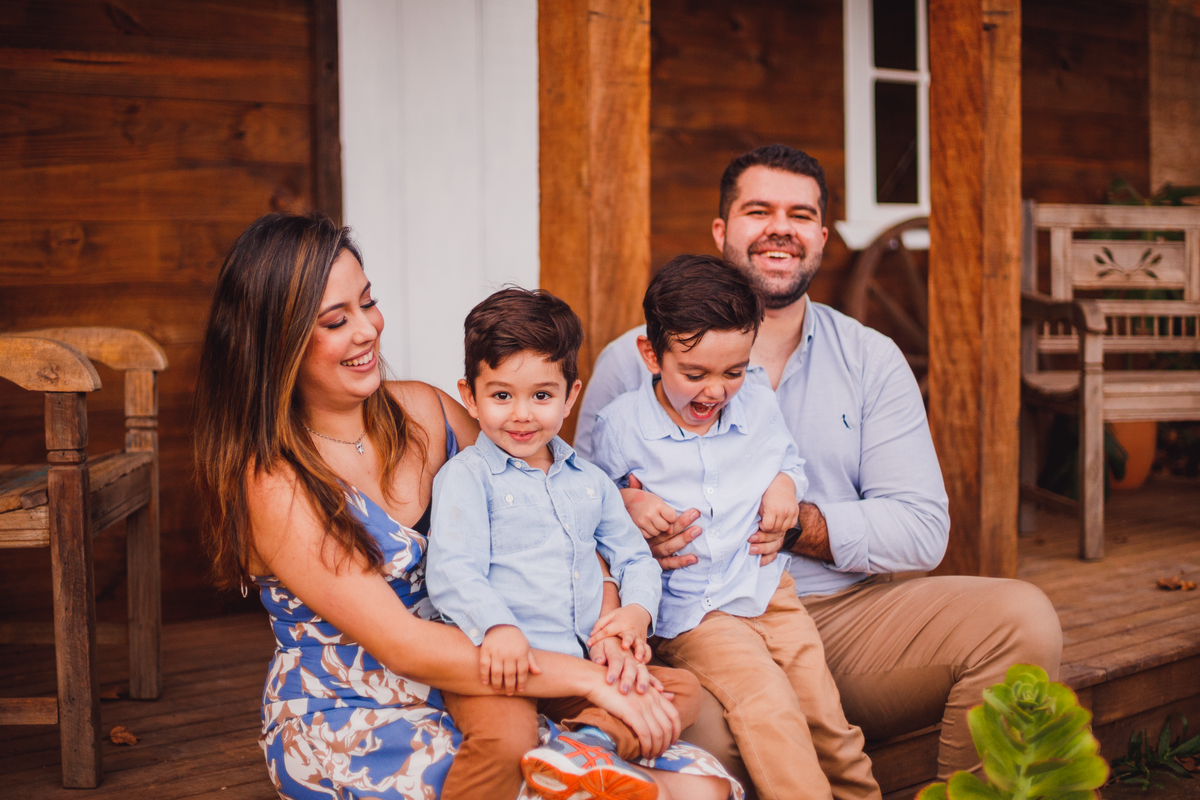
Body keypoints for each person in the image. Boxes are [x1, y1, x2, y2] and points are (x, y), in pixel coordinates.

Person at [192, 213, 739, 800]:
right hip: (362, 705)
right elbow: (404, 645)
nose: (367, 330)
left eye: (368, 302)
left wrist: (611, 602)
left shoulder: (424, 413)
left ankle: (585, 749)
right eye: (335, 320)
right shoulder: (276, 482)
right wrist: (591, 680)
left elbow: (553, 506)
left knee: (700, 786)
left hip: (504, 669)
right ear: (278, 340)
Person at [574, 145, 1063, 786]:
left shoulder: (870, 358)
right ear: (722, 231)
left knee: (1022, 620)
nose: (780, 226)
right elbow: (578, 509)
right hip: (698, 621)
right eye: (758, 210)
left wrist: (796, 523)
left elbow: (921, 529)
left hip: (843, 615)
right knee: (727, 735)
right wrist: (632, 520)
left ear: (821, 238)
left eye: (799, 214)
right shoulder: (629, 363)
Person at [588, 255, 881, 800]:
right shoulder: (622, 425)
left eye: (733, 371)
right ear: (651, 354)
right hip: (697, 610)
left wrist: (785, 487)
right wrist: (628, 500)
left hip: (770, 589)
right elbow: (590, 503)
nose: (715, 391)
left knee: (827, 715)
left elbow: (786, 459)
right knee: (768, 708)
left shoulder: (758, 397)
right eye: (694, 374)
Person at [426, 287, 705, 800]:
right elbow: (452, 570)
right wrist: (498, 626)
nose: (522, 415)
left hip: (577, 665)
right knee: (506, 736)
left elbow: (633, 556)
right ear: (470, 395)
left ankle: (588, 748)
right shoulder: (468, 477)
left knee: (681, 689)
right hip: (502, 666)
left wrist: (635, 615)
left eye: (541, 395)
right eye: (501, 395)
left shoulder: (589, 481)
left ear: (570, 395)